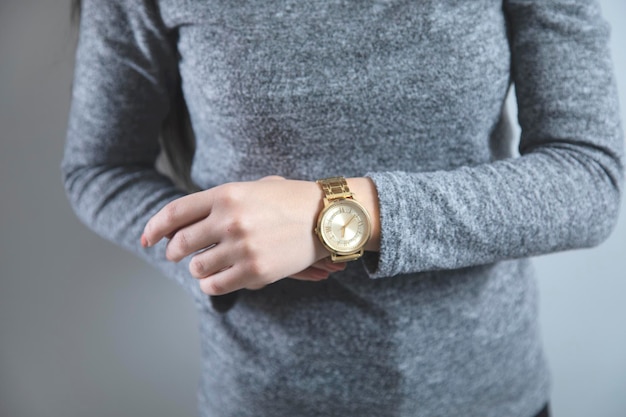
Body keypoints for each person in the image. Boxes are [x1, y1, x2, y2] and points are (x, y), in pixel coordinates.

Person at [62, 0, 623, 416]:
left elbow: (590, 176)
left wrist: (335, 216)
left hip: (489, 394)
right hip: (266, 397)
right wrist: (213, 253)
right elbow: (100, 169)